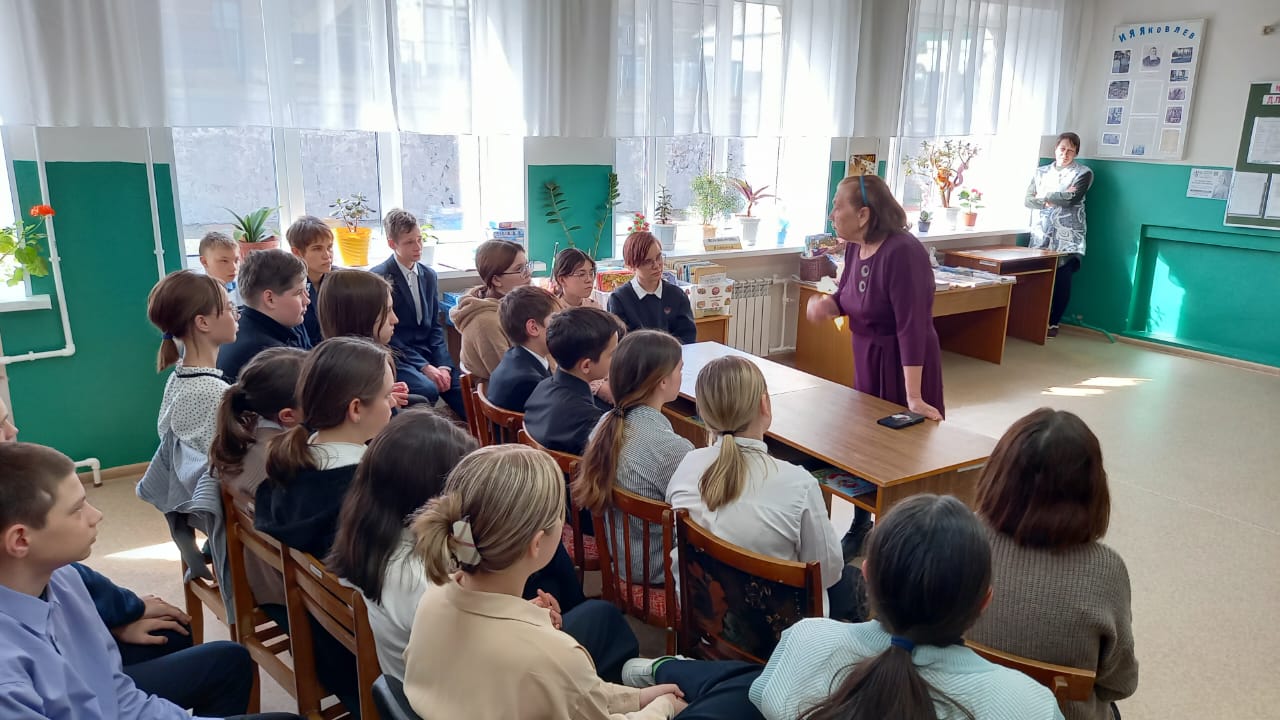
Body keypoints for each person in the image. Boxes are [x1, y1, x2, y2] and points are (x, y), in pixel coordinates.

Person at [0, 441, 297, 720]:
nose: (96, 515)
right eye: (77, 510)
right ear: (21, 539)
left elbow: (121, 699)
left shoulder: (66, 580)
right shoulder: (7, 677)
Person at [403, 444, 686, 719]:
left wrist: (637, 698)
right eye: (559, 518)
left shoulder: (433, 596)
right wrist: (663, 708)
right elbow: (569, 688)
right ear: (537, 544)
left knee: (602, 616)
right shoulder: (554, 658)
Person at [328, 409, 591, 682]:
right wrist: (530, 621)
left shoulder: (367, 533)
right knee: (600, 617)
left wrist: (522, 611)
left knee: (550, 577)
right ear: (433, 496)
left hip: (442, 664)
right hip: (474, 681)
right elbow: (487, 655)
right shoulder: (420, 584)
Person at [746, 493, 1061, 720]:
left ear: (866, 576)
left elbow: (762, 701)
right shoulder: (1031, 706)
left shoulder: (804, 642)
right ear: (984, 602)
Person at [806, 173, 944, 560]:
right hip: (867, 357)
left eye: (838, 206)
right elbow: (849, 297)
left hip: (905, 363)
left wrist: (913, 396)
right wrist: (828, 306)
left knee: (901, 454)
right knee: (863, 445)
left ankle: (900, 537)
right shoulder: (854, 247)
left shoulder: (904, 252)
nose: (832, 214)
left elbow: (912, 326)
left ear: (864, 214)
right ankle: (861, 524)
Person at [967, 409, 1137, 720]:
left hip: (964, 708)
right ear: (1093, 488)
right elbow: (1120, 683)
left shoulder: (958, 536)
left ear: (997, 473)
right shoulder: (1106, 571)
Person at [665, 355, 856, 620]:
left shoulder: (687, 467)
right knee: (854, 582)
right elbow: (827, 573)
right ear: (764, 404)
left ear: (704, 415)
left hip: (705, 618)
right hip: (780, 634)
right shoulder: (799, 485)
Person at [256, 336, 396, 558]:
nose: (394, 402)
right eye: (387, 395)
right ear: (356, 409)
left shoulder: (291, 463)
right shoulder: (370, 489)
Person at [574, 330, 692, 584]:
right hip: (659, 569)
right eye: (680, 369)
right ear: (662, 381)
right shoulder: (672, 449)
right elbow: (700, 516)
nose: (682, 376)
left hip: (621, 556)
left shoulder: (605, 423)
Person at [209, 347, 307, 607]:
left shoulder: (244, 434)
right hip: (293, 595)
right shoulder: (285, 463)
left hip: (264, 578)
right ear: (288, 415)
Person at [371, 209, 466, 416]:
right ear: (392, 244)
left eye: (419, 239)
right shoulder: (379, 277)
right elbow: (386, 335)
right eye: (409, 242)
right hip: (399, 355)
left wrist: (443, 365)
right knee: (427, 389)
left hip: (428, 351)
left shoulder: (429, 275)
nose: (418, 247)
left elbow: (434, 327)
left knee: (462, 389)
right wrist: (424, 367)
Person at [147, 269, 239, 455]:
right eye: (230, 308)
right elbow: (226, 460)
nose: (237, 315)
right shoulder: (216, 393)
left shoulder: (177, 378)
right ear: (203, 322)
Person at [524, 307, 623, 455]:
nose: (617, 358)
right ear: (586, 365)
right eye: (613, 353)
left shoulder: (542, 387)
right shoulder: (590, 420)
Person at [1025, 131, 1092, 338]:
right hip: (1042, 234)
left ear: (1076, 153)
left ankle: (1053, 323)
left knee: (1062, 280)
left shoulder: (1084, 173)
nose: (1065, 153)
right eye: (1062, 149)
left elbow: (1072, 199)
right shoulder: (1041, 172)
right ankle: (1034, 321)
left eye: (1071, 150)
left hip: (1069, 236)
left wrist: (1045, 196)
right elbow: (1028, 200)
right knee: (1037, 279)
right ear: (1055, 149)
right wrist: (1056, 197)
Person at [314, 269, 411, 407]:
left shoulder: (335, 360)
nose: (395, 319)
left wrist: (385, 395)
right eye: (387, 311)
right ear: (362, 317)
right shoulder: (362, 372)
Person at [216, 249, 312, 382]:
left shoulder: (288, 323)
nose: (307, 300)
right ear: (270, 299)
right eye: (299, 293)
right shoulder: (268, 356)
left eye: (306, 290)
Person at [448, 239, 532, 382]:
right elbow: (512, 379)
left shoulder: (516, 304)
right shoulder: (485, 322)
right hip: (514, 393)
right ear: (496, 280)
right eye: (519, 269)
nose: (528, 273)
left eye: (527, 266)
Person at [608, 231, 696, 344]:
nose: (656, 265)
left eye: (659, 257)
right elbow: (621, 344)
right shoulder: (619, 299)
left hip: (673, 354)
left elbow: (688, 338)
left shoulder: (677, 295)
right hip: (636, 355)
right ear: (631, 266)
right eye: (647, 262)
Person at [486, 285, 562, 412]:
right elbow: (557, 416)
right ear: (533, 328)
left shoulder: (514, 355)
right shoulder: (528, 382)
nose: (562, 327)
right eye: (555, 320)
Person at [285, 215, 336, 346]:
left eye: (329, 247)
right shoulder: (287, 287)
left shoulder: (340, 279)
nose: (327, 255)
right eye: (317, 248)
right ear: (296, 252)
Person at [198, 231, 241, 305]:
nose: (234, 268)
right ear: (205, 262)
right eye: (224, 261)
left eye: (236, 260)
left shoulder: (241, 289)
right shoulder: (197, 295)